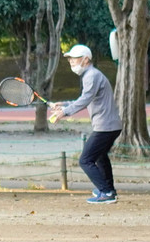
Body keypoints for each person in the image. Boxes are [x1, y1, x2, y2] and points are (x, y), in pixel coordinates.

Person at [48, 44, 122, 204]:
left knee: (85, 160)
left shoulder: (91, 75)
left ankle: (106, 191)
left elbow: (85, 99)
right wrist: (64, 104)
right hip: (109, 125)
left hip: (106, 127)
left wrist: (64, 112)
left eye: (74, 59)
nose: (71, 62)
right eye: (70, 60)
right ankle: (109, 190)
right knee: (100, 157)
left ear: (86, 59)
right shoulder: (91, 75)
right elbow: (85, 99)